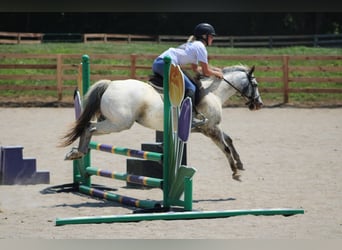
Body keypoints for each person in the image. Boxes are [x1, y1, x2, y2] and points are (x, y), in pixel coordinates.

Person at [152, 23, 223, 127]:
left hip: (159, 63)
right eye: (211, 36)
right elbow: (206, 72)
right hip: (166, 64)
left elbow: (195, 69)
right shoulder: (200, 47)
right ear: (204, 36)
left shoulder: (194, 45)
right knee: (191, 88)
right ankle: (188, 118)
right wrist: (216, 73)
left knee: (190, 86)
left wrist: (213, 69)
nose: (212, 38)